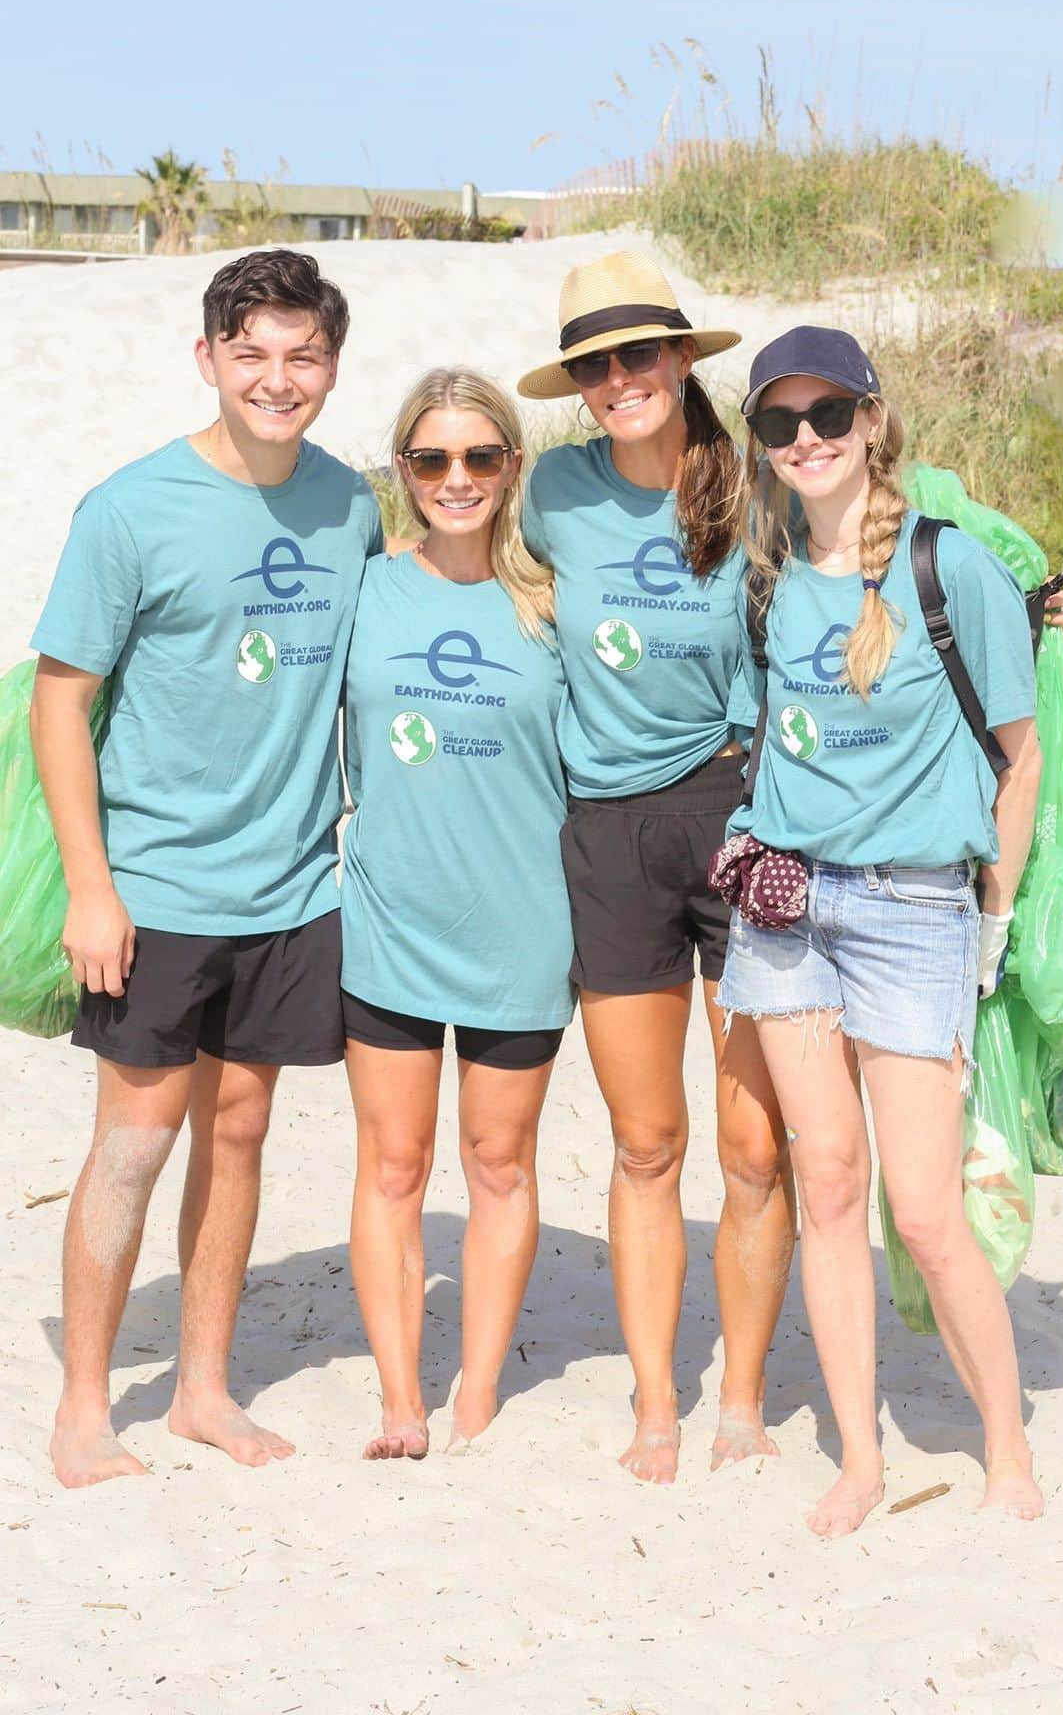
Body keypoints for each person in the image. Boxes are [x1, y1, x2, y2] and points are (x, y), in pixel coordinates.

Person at [30, 249, 383, 1487]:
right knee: (133, 1141)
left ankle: (200, 1389)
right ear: (208, 359)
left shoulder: (353, 505)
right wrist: (92, 884)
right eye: (252, 354)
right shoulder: (130, 508)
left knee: (239, 1134)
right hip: (157, 888)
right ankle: (84, 1402)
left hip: (293, 887)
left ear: (331, 368)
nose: (276, 379)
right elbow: (61, 701)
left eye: (302, 356)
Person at [719, 324, 1045, 1535]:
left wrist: (993, 921)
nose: (805, 442)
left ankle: (1005, 1444)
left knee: (922, 1205)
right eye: (778, 423)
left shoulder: (940, 567)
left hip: (917, 910)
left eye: (827, 417)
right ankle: (858, 1456)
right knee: (830, 1184)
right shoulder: (759, 578)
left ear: (872, 419)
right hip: (791, 909)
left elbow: (1021, 760)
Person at [517, 251, 795, 1485]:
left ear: (685, 359)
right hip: (608, 834)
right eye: (596, 363)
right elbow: (431, 538)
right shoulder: (549, 493)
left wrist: (1037, 589)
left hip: (742, 812)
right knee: (646, 1142)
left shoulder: (758, 489)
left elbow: (897, 528)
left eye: (641, 353)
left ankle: (739, 1393)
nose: (621, 378)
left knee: (756, 1147)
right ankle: (654, 1402)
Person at [341, 368, 573, 1459]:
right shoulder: (366, 588)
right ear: (403, 473)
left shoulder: (554, 601)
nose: (457, 479)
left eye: (481, 457)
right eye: (431, 459)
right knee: (393, 1165)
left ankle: (477, 1383)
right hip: (388, 922)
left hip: (520, 929)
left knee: (498, 1164)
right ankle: (401, 1397)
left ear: (512, 467)